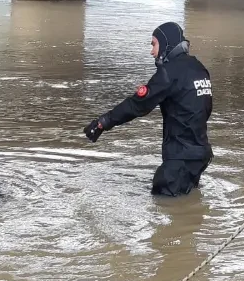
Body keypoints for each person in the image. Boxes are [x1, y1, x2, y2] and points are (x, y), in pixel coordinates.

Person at [82, 22, 213, 197]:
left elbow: (137, 105)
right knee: (186, 207)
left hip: (179, 158)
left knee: (162, 206)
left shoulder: (169, 72)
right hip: (200, 155)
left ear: (166, 44)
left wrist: (102, 122)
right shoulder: (199, 68)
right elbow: (206, 109)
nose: (152, 52)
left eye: (154, 44)